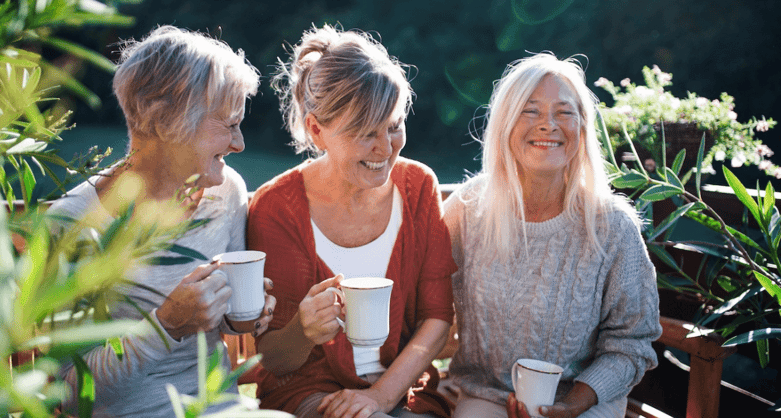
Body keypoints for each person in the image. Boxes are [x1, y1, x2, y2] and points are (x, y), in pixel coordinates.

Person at [48, 25, 275, 417]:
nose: (239, 144)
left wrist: (245, 314)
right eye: (228, 123)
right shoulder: (73, 224)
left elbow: (228, 325)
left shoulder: (226, 192)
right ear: (165, 120)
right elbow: (69, 392)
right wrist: (164, 327)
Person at [247, 25, 456, 418]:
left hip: (402, 391)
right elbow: (274, 360)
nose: (384, 149)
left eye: (394, 126)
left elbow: (437, 318)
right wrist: (303, 332)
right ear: (316, 130)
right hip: (309, 395)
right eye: (365, 133)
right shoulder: (278, 208)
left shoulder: (417, 187)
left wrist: (379, 397)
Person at [444, 53, 662, 418]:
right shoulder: (466, 209)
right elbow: (421, 301)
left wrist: (575, 402)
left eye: (564, 112)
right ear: (504, 123)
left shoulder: (613, 228)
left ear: (582, 127)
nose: (548, 125)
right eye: (530, 111)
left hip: (584, 401)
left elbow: (632, 342)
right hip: (488, 396)